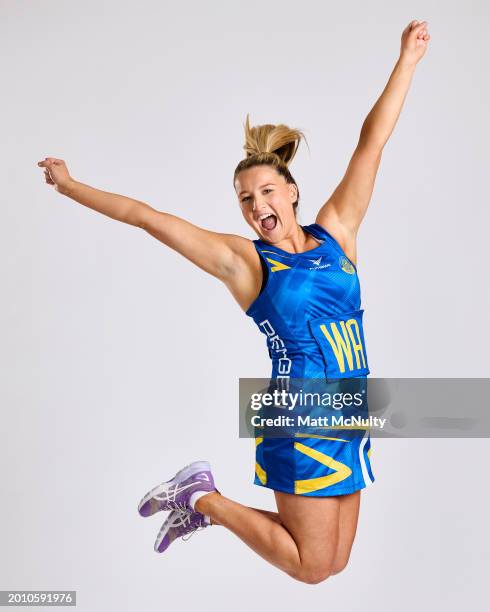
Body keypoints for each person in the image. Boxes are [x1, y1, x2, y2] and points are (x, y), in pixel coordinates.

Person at [37, 19, 430, 584]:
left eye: (267, 191)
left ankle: (200, 498)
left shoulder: (336, 232)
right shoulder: (245, 262)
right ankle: (202, 499)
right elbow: (151, 219)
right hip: (299, 412)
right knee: (312, 565)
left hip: (350, 404)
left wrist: (407, 63)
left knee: (336, 561)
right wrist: (72, 186)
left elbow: (372, 143)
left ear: (292, 191)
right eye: (246, 199)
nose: (256, 205)